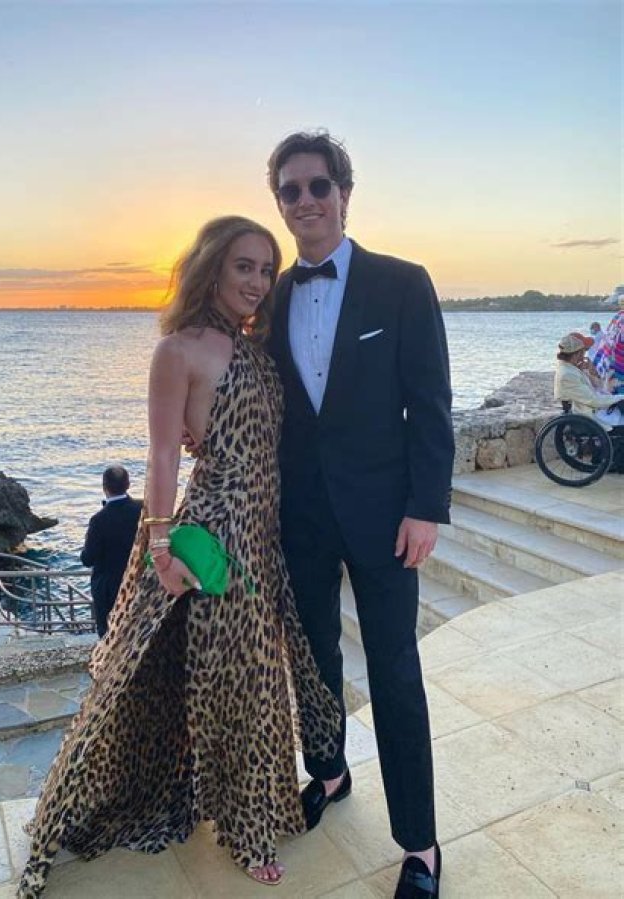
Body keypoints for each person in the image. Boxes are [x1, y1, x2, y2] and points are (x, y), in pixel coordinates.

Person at [17, 216, 340, 897]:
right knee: (245, 684)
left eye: (265, 269)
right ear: (211, 268)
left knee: (242, 678)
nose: (257, 282)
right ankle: (248, 831)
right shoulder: (178, 350)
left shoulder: (253, 345)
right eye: (243, 266)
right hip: (218, 532)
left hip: (264, 533)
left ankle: (237, 805)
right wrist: (161, 549)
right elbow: (163, 456)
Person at [266, 131, 454, 899]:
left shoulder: (402, 283)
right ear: (279, 204)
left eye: (318, 185)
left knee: (395, 671)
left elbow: (430, 404)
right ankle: (329, 771)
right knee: (312, 660)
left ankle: (420, 842)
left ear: (345, 193)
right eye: (290, 190)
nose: (305, 200)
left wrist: (425, 508)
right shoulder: (270, 297)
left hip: (385, 517)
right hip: (301, 519)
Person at [80, 465, 142, 637]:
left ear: (104, 487)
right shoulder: (142, 509)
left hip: (108, 588)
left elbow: (88, 559)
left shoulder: (99, 520)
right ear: (128, 484)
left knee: (109, 633)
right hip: (137, 579)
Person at [555, 332, 623, 428]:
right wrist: (619, 397)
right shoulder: (568, 374)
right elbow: (593, 400)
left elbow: (595, 387)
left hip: (590, 409)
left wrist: (587, 371)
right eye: (582, 352)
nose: (583, 356)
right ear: (576, 354)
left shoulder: (570, 369)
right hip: (589, 415)